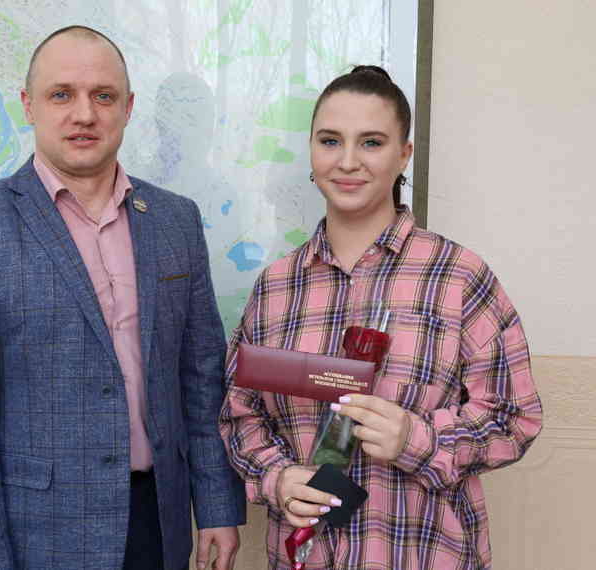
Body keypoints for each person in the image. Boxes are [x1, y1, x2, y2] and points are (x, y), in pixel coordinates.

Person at [0, 25, 245, 570]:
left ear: (128, 108)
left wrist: (215, 507)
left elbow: (201, 376)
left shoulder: (176, 221)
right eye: (61, 94)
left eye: (103, 96)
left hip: (158, 524)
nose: (84, 114)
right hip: (37, 535)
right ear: (29, 105)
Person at [218, 66, 542, 569]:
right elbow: (241, 415)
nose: (348, 161)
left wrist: (417, 439)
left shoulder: (459, 277)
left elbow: (513, 418)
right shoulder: (275, 288)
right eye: (330, 140)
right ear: (311, 150)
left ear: (403, 154)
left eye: (371, 142)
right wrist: (277, 478)